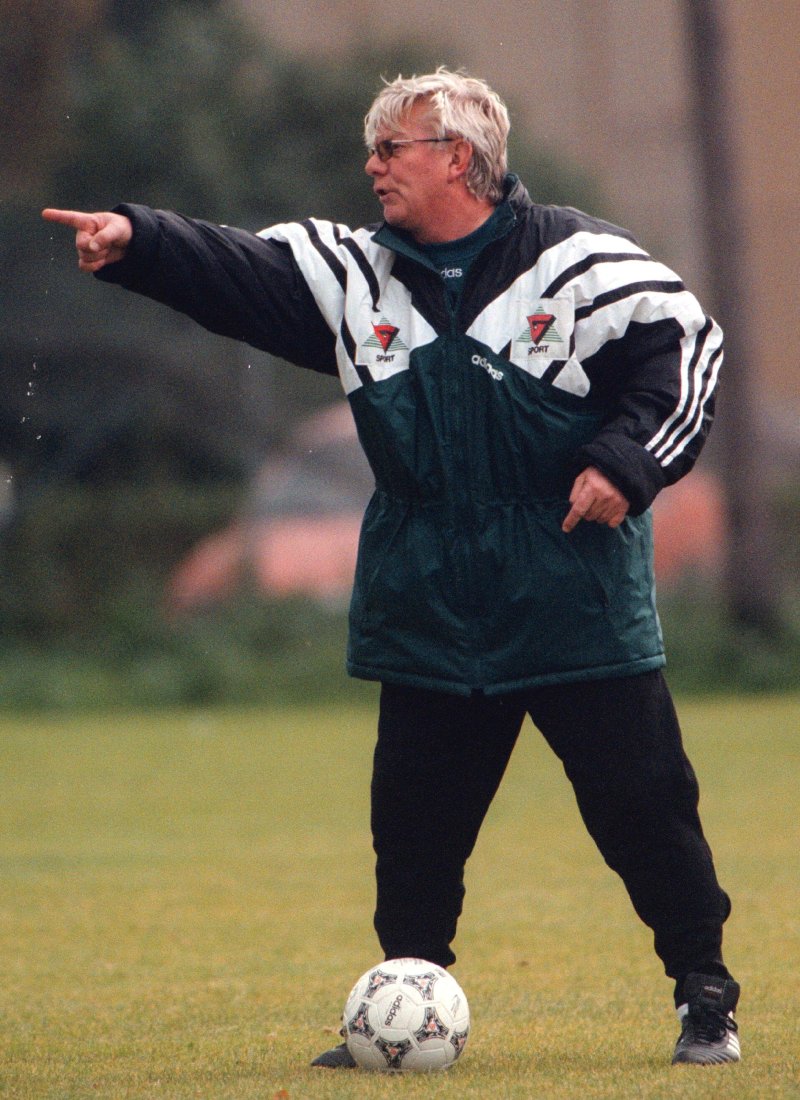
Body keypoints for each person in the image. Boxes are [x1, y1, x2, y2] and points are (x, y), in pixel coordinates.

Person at [43, 67, 740, 1068]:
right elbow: (235, 265)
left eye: (390, 149)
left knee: (644, 811)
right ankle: (400, 1012)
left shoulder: (582, 264)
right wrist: (135, 239)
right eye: (371, 150)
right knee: (411, 834)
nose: (370, 166)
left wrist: (625, 462)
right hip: (427, 602)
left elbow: (690, 350)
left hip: (572, 597)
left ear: (458, 157)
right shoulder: (351, 273)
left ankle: (704, 993)